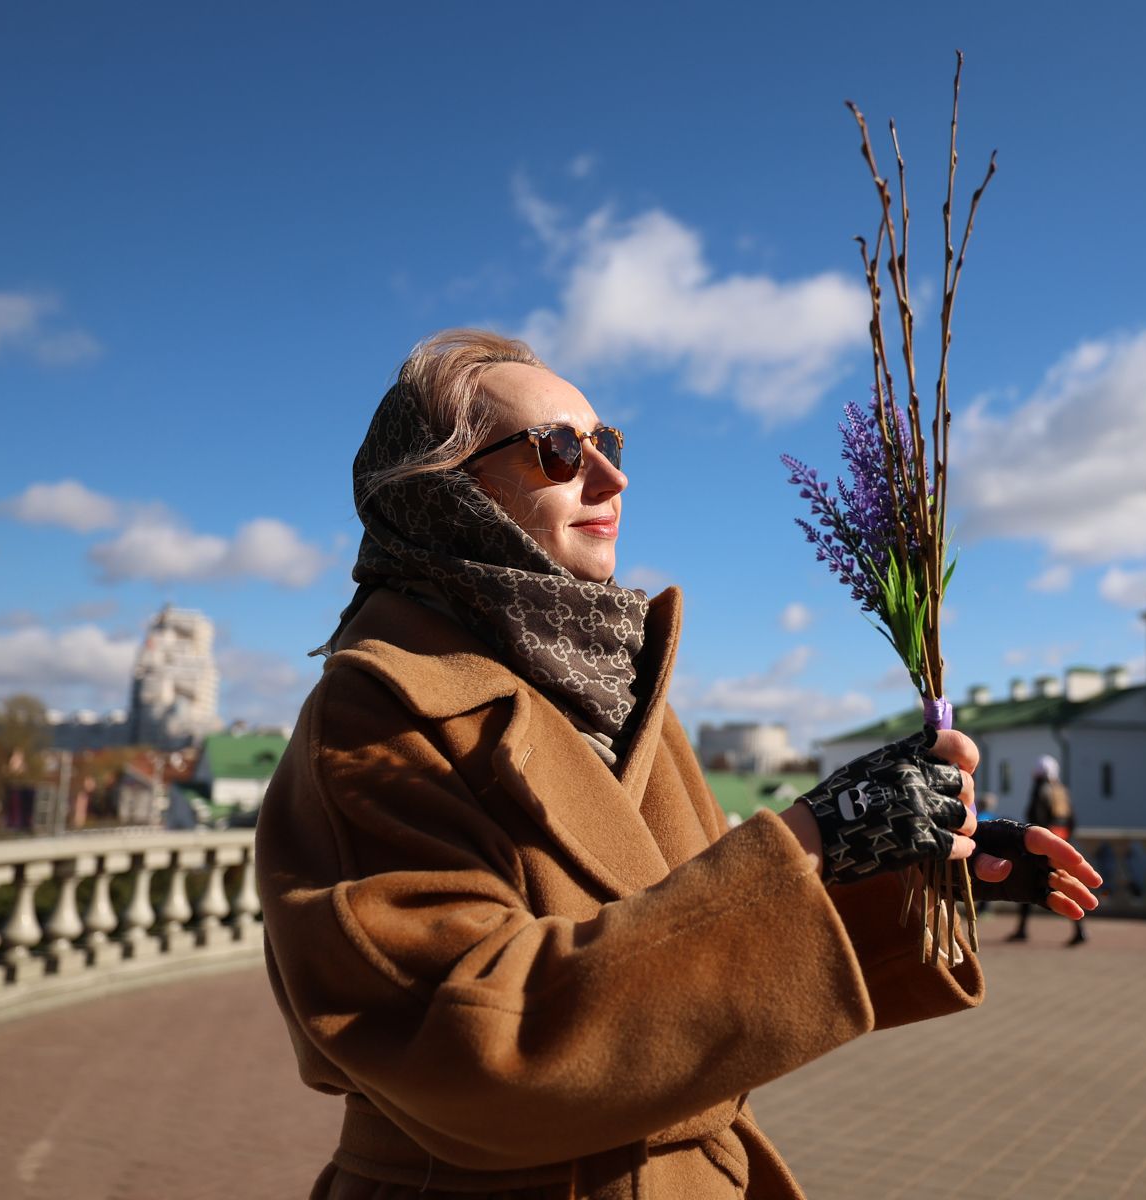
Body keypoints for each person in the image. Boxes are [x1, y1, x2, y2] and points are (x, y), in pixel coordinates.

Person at [255, 330, 1103, 1199]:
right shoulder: (377, 712)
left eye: (607, 444)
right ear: (446, 494)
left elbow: (686, 940)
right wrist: (815, 834)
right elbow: (467, 1046)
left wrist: (908, 862)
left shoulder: (623, 694)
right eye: (558, 451)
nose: (611, 479)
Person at [1007, 756, 1083, 946]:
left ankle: (1022, 929)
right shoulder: (1062, 791)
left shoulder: (1040, 790)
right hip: (1062, 843)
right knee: (1066, 886)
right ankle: (1080, 929)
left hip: (1043, 848)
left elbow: (1033, 818)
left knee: (1028, 885)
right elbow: (1072, 821)